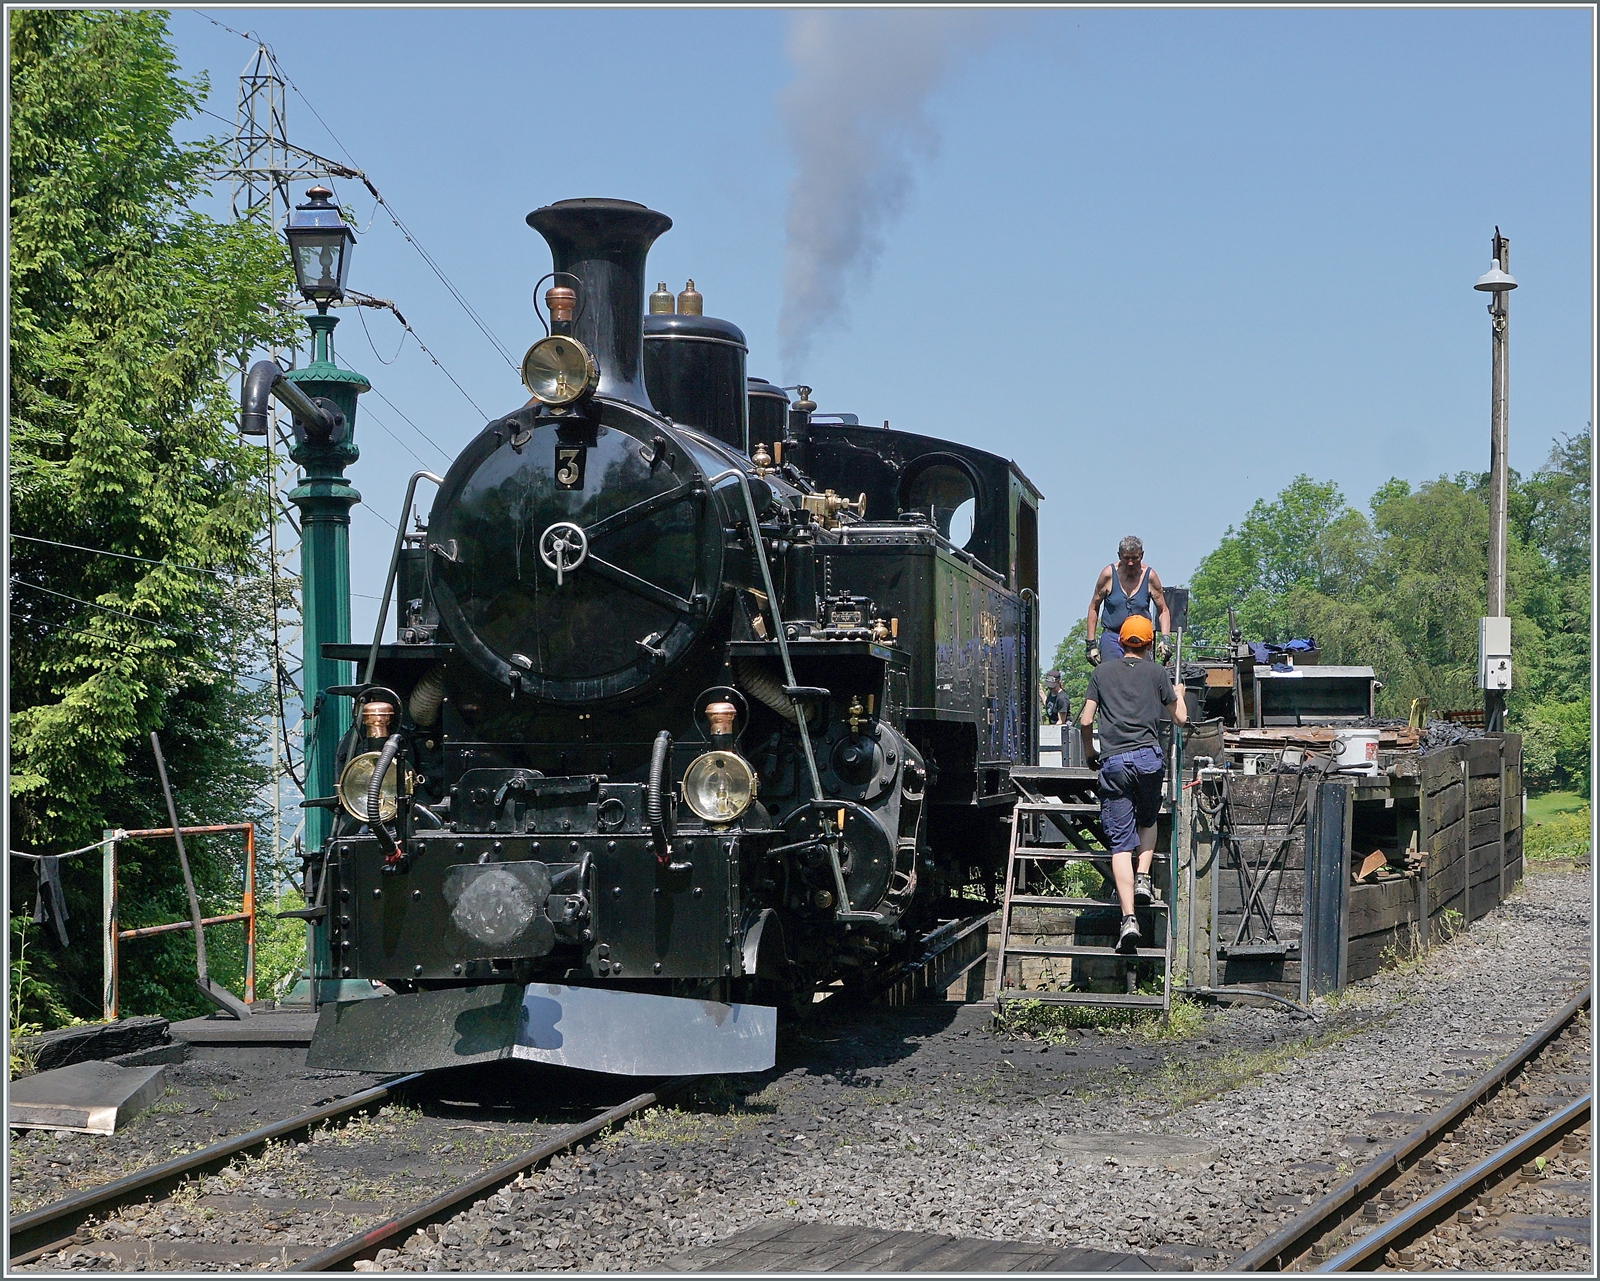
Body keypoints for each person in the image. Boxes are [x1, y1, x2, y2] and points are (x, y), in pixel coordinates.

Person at [1078, 615, 1187, 953]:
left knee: (1120, 845)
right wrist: (1179, 694)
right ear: (1150, 644)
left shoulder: (1101, 673)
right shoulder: (1157, 673)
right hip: (1149, 759)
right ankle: (1144, 876)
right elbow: (1180, 718)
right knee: (1148, 819)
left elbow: (1084, 720)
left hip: (1114, 764)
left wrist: (1089, 752)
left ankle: (1128, 919)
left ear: (1121, 643)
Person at [1085, 536, 1172, 666]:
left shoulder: (1150, 576)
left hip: (1141, 640)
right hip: (1113, 637)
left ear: (1142, 555)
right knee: (1112, 676)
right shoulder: (1108, 575)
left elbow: (1163, 610)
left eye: (1134, 558)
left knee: (1142, 679)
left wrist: (1165, 638)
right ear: (1119, 555)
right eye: (1126, 558)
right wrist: (1091, 643)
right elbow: (1093, 607)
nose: (1130, 563)